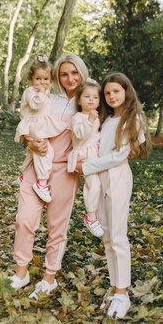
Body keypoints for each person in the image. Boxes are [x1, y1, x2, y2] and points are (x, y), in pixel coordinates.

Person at [9, 54, 88, 300]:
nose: (69, 78)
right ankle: (21, 273)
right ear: (56, 76)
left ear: (82, 73)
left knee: (57, 227)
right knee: (24, 219)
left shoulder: (87, 102)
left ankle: (49, 278)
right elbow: (28, 124)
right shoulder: (46, 99)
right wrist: (30, 142)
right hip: (37, 166)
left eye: (74, 73)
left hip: (65, 170)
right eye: (64, 74)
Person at [75, 72, 151, 319]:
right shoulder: (106, 119)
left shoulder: (134, 118)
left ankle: (123, 293)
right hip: (100, 177)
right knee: (107, 237)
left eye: (116, 91)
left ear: (126, 91)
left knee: (118, 237)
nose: (111, 96)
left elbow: (119, 156)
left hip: (117, 178)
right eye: (107, 93)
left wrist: (86, 167)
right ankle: (114, 287)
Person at [15, 56, 67, 203]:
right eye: (38, 78)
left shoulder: (46, 93)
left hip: (39, 125)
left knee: (32, 154)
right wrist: (42, 93)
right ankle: (41, 183)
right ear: (31, 79)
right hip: (34, 126)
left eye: (46, 79)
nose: (42, 82)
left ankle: (23, 176)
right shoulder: (31, 92)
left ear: (50, 80)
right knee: (46, 152)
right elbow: (36, 105)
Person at [67, 82, 103, 237]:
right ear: (79, 100)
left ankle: (96, 212)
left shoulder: (97, 116)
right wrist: (89, 120)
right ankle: (91, 216)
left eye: (95, 97)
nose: (91, 100)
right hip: (83, 154)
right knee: (94, 183)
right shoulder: (78, 117)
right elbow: (80, 135)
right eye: (87, 96)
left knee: (96, 184)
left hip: (94, 153)